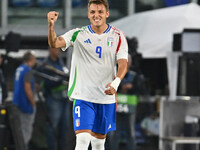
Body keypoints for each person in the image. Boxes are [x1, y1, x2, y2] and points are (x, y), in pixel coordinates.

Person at [47, 0, 128, 149]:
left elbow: (123, 63)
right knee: (83, 140)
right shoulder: (78, 34)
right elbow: (54, 43)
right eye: (92, 12)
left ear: (107, 14)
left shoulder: (118, 36)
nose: (96, 15)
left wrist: (116, 83)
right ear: (88, 14)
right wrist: (51, 25)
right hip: (83, 95)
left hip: (105, 97)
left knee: (98, 143)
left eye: (100, 12)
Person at [42, 47, 69, 150]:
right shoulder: (46, 64)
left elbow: (66, 74)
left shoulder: (61, 62)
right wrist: (60, 79)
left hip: (64, 99)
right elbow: (47, 82)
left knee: (64, 127)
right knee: (52, 127)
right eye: (56, 49)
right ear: (50, 49)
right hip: (53, 99)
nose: (58, 51)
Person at [12, 51, 36, 149]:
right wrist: (33, 103)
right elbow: (27, 88)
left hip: (17, 103)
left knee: (19, 130)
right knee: (26, 132)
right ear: (31, 60)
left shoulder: (19, 69)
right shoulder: (28, 70)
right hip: (25, 104)